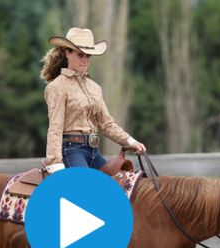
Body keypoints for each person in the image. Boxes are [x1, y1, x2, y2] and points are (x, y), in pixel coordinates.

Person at [40, 27, 146, 174]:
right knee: (86, 191)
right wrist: (55, 162)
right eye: (80, 54)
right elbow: (55, 128)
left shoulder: (94, 88)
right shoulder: (57, 87)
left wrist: (130, 141)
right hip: (71, 151)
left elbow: (107, 124)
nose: (85, 60)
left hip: (94, 152)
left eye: (88, 56)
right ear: (67, 53)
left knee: (119, 184)